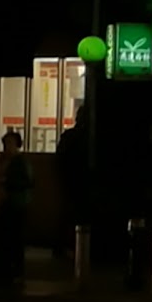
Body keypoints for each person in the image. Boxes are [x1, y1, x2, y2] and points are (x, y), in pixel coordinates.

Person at [0, 130, 34, 284]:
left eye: (9, 144)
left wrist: (2, 182)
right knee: (3, 239)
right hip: (1, 204)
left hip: (14, 205)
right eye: (5, 144)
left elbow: (27, 182)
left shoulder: (20, 162)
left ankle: (15, 271)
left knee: (14, 240)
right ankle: (5, 270)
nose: (6, 147)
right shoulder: (2, 161)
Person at [54, 108, 91, 260]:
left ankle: (63, 247)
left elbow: (59, 159)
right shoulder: (89, 137)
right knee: (80, 216)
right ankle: (78, 247)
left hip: (69, 181)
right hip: (83, 182)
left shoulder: (69, 136)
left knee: (67, 214)